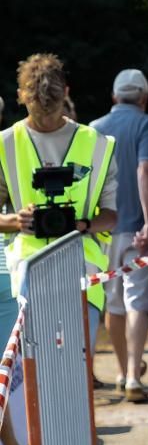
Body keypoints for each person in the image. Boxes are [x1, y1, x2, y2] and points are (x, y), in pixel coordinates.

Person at [0, 54, 117, 351]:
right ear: (21, 98)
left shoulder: (97, 143)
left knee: (76, 365)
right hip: (28, 274)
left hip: (82, 270)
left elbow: (112, 216)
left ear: (65, 93)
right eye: (39, 112)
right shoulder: (6, 144)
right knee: (34, 370)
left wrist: (82, 225)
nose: (46, 121)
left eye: (50, 113)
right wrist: (16, 221)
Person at [91, 69, 148, 403]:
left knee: (114, 303)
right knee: (138, 303)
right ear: (144, 98)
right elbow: (145, 169)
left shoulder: (93, 129)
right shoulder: (147, 124)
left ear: (114, 97)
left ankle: (121, 372)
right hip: (137, 230)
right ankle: (134, 376)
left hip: (103, 232)